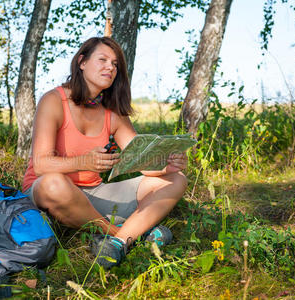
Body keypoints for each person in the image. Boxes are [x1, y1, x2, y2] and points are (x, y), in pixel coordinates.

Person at [22, 37, 188, 269]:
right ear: (82, 62)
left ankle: (117, 243)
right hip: (48, 191)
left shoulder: (112, 112)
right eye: (102, 60)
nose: (110, 67)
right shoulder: (54, 100)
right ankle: (125, 234)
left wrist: (165, 166)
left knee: (176, 180)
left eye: (115, 64)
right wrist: (84, 161)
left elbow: (141, 160)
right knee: (53, 183)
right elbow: (40, 165)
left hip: (94, 193)